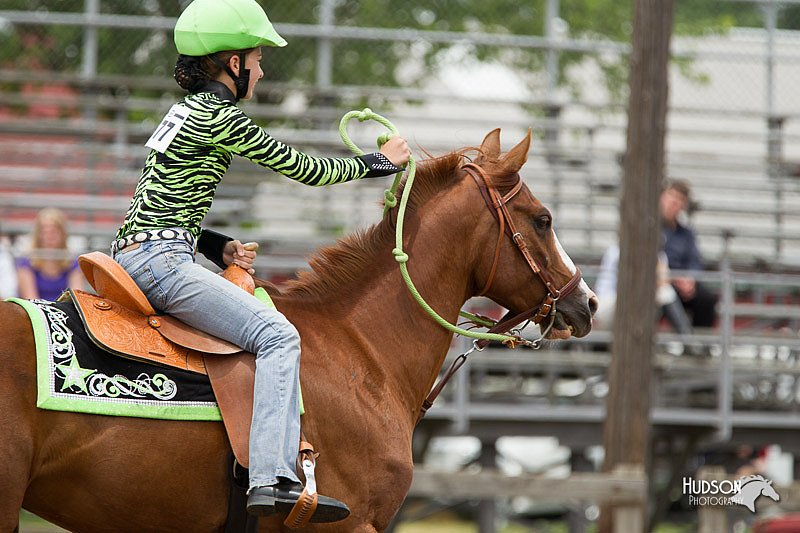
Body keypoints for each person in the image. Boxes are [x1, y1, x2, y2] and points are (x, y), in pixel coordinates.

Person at [111, 0, 411, 523]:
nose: (262, 68)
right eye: (257, 57)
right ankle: (271, 478)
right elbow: (304, 168)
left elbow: (156, 203)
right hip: (161, 262)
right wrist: (381, 162)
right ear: (233, 64)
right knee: (278, 335)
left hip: (140, 252)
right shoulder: (219, 115)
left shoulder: (181, 113)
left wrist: (213, 245)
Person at [660, 179, 718, 329]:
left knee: (706, 299)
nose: (674, 203)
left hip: (684, 285)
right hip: (662, 282)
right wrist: (674, 278)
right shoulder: (652, 228)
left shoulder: (686, 233)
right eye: (672, 197)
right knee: (661, 296)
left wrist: (690, 279)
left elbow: (695, 260)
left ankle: (698, 344)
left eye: (680, 200)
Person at [15, 208, 83, 301]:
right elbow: (31, 299)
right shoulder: (26, 264)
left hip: (63, 312)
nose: (49, 237)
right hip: (35, 312)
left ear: (62, 234)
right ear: (38, 234)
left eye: (54, 231)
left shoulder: (72, 264)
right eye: (44, 232)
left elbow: (75, 298)